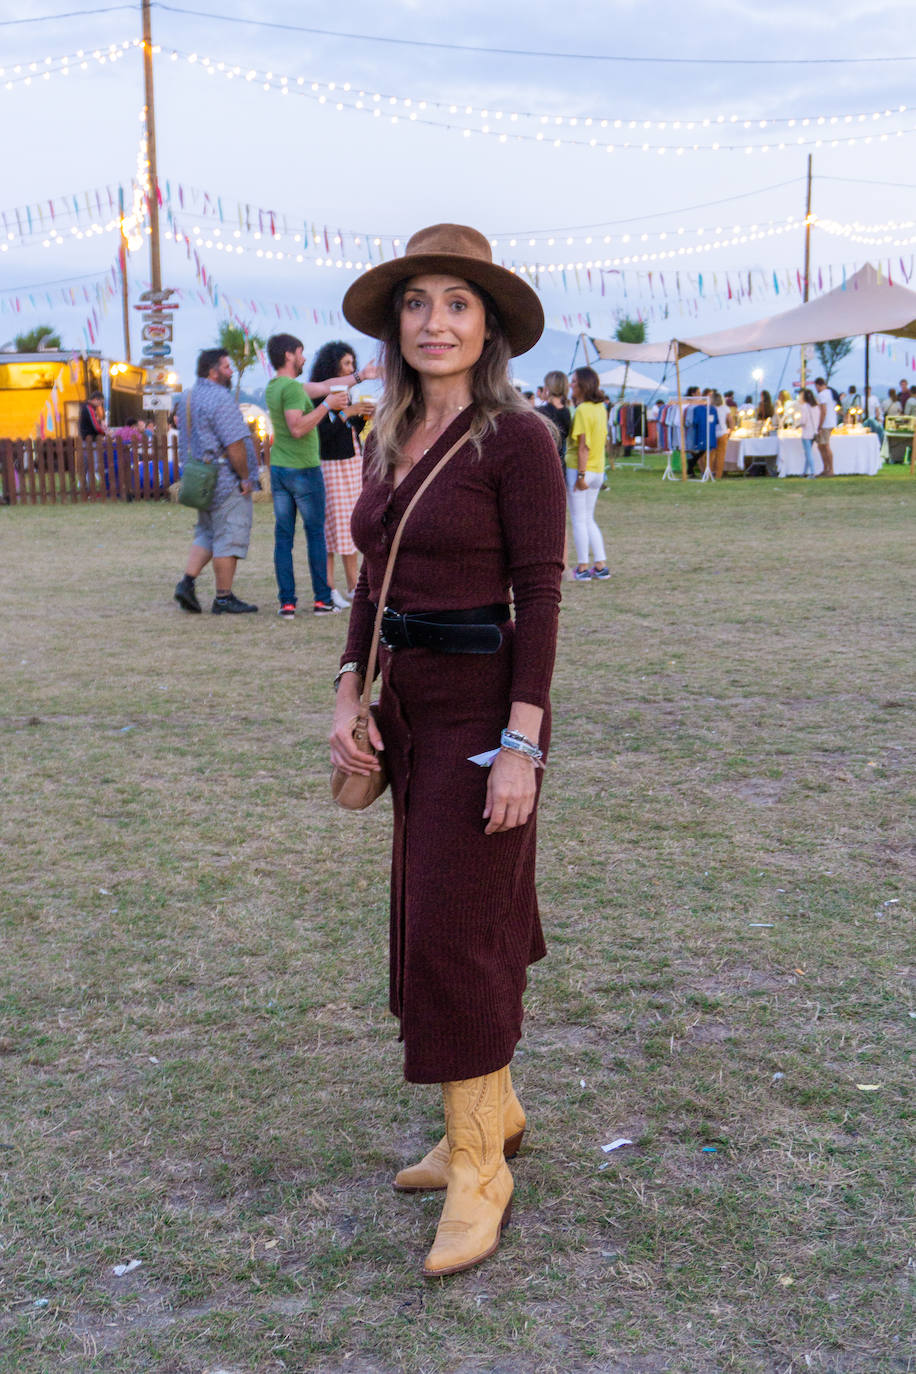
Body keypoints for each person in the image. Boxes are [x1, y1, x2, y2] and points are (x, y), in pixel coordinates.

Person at [329, 223, 565, 1278]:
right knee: (433, 910)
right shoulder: (384, 439)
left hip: (482, 704)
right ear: (395, 324)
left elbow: (542, 593)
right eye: (417, 303)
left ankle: (480, 1165)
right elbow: (370, 580)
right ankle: (494, 1110)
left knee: (458, 927)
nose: (434, 322)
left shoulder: (518, 438)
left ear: (488, 327)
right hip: (408, 703)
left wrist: (522, 741)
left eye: (456, 304)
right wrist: (349, 686)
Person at [265, 333, 348, 618]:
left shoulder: (279, 386)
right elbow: (297, 428)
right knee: (315, 535)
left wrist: (363, 376)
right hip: (302, 470)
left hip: (280, 469)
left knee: (284, 538)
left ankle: (287, 602)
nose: (304, 358)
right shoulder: (290, 388)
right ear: (289, 355)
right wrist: (327, 406)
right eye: (301, 352)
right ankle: (322, 601)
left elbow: (326, 386)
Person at [173, 348, 260, 615]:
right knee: (228, 536)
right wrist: (245, 477)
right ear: (213, 371)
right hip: (224, 478)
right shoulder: (220, 399)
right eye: (226, 366)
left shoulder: (187, 396)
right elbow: (234, 444)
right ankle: (223, 597)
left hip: (199, 478)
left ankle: (186, 583)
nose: (231, 371)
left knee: (207, 533)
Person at [308, 341, 377, 608]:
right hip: (330, 466)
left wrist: (361, 416)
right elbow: (321, 434)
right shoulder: (318, 394)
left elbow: (343, 428)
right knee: (332, 528)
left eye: (352, 363)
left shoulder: (345, 393)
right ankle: (329, 587)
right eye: (347, 363)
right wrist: (347, 412)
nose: (352, 368)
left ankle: (352, 585)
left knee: (351, 525)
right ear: (333, 365)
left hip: (351, 462)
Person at [565, 367, 610, 579]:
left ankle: (582, 567)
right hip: (598, 469)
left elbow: (583, 446)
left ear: (583, 385)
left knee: (579, 520)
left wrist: (581, 476)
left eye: (574, 381)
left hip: (580, 469)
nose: (571, 385)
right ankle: (600, 565)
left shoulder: (583, 410)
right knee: (588, 518)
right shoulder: (601, 408)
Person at [535, 369, 571, 462]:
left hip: (545, 462)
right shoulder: (567, 411)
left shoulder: (540, 412)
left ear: (548, 388)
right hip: (561, 463)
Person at [813, 376, 836, 478]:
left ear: (818, 385)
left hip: (825, 424)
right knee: (821, 446)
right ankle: (826, 468)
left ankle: (830, 469)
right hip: (830, 422)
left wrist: (820, 425)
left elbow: (823, 411)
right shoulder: (829, 393)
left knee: (825, 446)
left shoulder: (822, 395)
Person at [798, 387, 820, 477]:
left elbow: (803, 421)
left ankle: (812, 472)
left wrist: (798, 424)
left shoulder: (804, 407)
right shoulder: (816, 407)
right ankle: (804, 472)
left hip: (806, 432)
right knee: (808, 453)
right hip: (814, 432)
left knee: (808, 453)